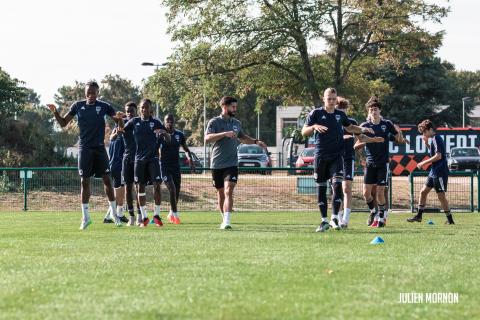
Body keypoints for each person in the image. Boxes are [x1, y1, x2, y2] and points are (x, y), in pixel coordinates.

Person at [47, 81, 124, 230]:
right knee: (84, 181)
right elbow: (63, 123)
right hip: (84, 149)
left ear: (98, 93)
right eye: (88, 92)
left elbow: (120, 126)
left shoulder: (104, 106)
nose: (90, 95)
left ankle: (114, 214)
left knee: (107, 180)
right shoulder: (77, 106)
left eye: (93, 92)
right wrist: (55, 111)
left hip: (100, 148)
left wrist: (120, 119)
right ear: (85, 92)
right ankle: (85, 217)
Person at [301, 88, 376, 232]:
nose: (331, 101)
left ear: (336, 100)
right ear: (324, 99)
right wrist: (313, 126)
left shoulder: (340, 115)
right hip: (321, 156)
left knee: (337, 185)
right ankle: (323, 221)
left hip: (337, 156)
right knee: (322, 188)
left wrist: (363, 130)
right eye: (328, 98)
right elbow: (304, 132)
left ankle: (335, 217)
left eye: (333, 99)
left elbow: (351, 127)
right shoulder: (315, 113)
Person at [205, 96, 267, 230]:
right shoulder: (214, 122)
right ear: (224, 107)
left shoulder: (237, 123)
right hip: (217, 163)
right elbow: (207, 138)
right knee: (221, 193)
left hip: (232, 163)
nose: (235, 109)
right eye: (233, 107)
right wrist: (224, 134)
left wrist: (256, 142)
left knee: (229, 190)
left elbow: (243, 137)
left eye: (235, 107)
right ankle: (223, 219)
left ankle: (227, 221)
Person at [357, 97, 407, 228]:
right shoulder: (364, 126)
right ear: (368, 111)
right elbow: (359, 138)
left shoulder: (387, 124)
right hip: (369, 163)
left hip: (383, 163)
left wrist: (399, 134)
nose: (373, 112)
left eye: (375, 109)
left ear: (380, 110)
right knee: (366, 193)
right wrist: (371, 140)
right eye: (371, 110)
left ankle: (381, 217)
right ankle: (373, 211)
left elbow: (398, 137)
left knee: (380, 192)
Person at [335, 97, 384, 228]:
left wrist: (373, 139)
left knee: (346, 188)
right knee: (336, 189)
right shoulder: (332, 121)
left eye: (344, 109)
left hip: (348, 158)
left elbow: (360, 138)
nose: (342, 112)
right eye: (340, 109)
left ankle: (345, 220)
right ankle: (337, 218)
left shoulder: (351, 122)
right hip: (333, 158)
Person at [122, 99, 170, 227]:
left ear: (150, 109)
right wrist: (118, 126)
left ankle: (157, 215)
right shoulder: (134, 121)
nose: (144, 109)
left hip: (153, 159)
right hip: (139, 160)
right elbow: (122, 130)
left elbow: (168, 138)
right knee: (140, 188)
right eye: (142, 107)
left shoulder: (156, 122)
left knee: (157, 185)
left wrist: (164, 133)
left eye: (146, 107)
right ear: (140, 109)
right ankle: (143, 217)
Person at [407, 120, 455, 224]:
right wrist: (426, 144)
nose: (423, 134)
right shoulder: (433, 139)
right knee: (423, 192)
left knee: (441, 196)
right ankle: (419, 216)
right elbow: (434, 153)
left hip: (440, 171)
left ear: (430, 130)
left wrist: (423, 162)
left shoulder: (436, 138)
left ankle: (450, 220)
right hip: (433, 171)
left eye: (424, 132)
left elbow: (439, 156)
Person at [158, 114, 195, 224]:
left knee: (177, 191)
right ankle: (175, 215)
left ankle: (171, 213)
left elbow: (186, 150)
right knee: (172, 188)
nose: (169, 122)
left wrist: (191, 161)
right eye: (167, 120)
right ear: (164, 122)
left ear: (174, 122)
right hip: (164, 166)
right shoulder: (160, 134)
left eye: (171, 120)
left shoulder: (179, 134)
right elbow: (155, 148)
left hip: (176, 167)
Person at [103, 124, 128, 223]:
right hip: (118, 165)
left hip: (116, 165)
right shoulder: (120, 134)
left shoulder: (115, 132)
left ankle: (119, 214)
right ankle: (108, 216)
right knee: (118, 191)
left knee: (121, 191)